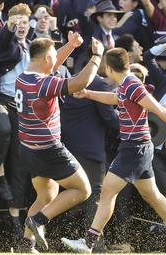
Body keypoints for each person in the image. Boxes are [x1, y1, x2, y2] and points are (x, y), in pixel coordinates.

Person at [61, 47, 166, 253]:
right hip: (136, 147)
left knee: (107, 192)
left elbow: (158, 109)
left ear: (107, 67)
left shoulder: (132, 84)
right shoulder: (126, 84)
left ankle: (88, 242)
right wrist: (88, 94)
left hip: (135, 148)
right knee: (152, 195)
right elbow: (116, 99)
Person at [15, 34, 105, 252]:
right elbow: (80, 82)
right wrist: (97, 55)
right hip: (49, 151)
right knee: (83, 190)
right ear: (47, 58)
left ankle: (26, 246)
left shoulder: (23, 77)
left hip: (28, 149)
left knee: (47, 195)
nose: (56, 61)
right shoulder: (43, 84)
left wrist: (71, 46)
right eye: (53, 57)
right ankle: (37, 221)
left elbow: (50, 62)